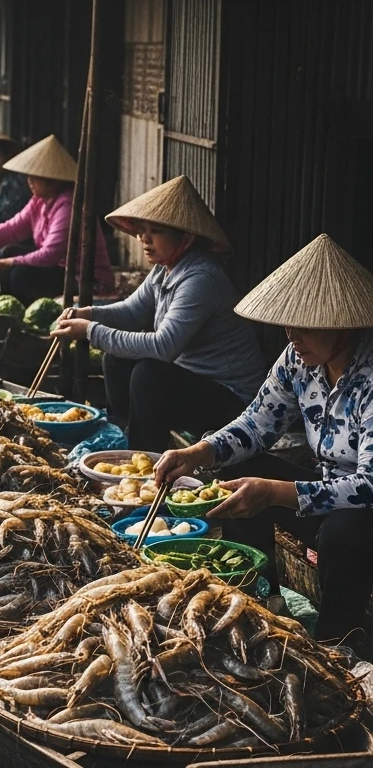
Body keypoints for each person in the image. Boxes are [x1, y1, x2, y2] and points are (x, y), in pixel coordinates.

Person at [154, 234, 373, 653]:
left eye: (304, 324)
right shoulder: (299, 359)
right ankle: (262, 598)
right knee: (237, 473)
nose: (291, 334)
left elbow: (368, 486)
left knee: (344, 533)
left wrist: (276, 493)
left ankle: (337, 642)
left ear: (342, 324)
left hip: (363, 515)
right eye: (287, 322)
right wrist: (198, 452)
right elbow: (256, 424)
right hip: (323, 497)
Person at [49, 176, 267, 451]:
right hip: (195, 383)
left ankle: (143, 455)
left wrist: (90, 331)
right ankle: (123, 433)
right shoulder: (166, 268)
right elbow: (132, 312)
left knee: (149, 373)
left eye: (156, 231)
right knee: (115, 357)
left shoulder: (200, 278)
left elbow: (164, 347)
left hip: (234, 402)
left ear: (185, 237)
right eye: (143, 230)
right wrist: (89, 313)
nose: (144, 239)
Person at [0, 135, 114, 304]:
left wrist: (6, 263)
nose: (29, 182)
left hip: (83, 281)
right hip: (60, 271)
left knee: (20, 272)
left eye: (35, 177)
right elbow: (11, 229)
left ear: (51, 179)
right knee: (10, 252)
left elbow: (50, 254)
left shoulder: (68, 205)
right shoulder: (39, 201)